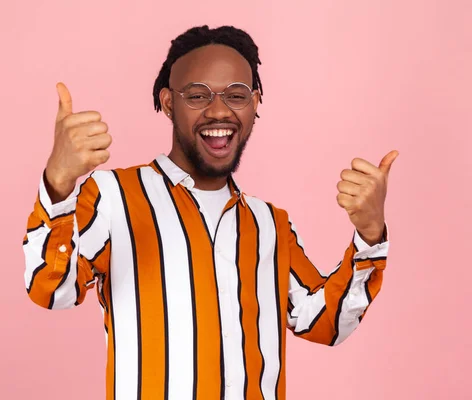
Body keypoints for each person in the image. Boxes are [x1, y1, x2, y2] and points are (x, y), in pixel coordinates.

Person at [22, 25, 397, 400]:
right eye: (198, 95)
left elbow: (325, 321)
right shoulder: (113, 196)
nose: (219, 110)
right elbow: (51, 289)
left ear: (255, 103)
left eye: (236, 95)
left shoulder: (271, 224)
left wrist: (369, 234)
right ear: (169, 102)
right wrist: (58, 183)